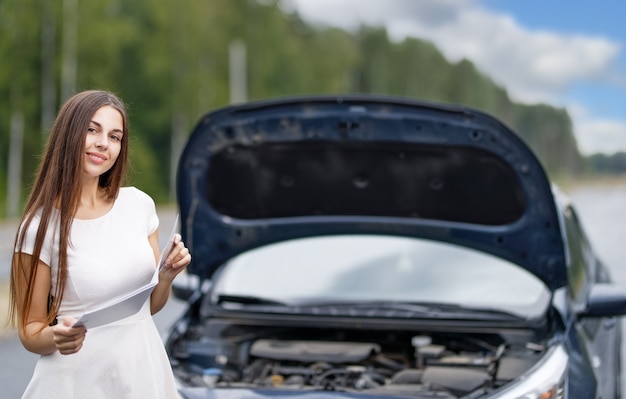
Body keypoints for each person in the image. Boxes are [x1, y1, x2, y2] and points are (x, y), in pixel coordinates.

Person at [9, 90, 191, 398]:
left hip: (143, 373)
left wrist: (166, 277)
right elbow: (30, 330)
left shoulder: (139, 205)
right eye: (92, 130)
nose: (103, 144)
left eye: (115, 136)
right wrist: (56, 337)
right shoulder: (39, 227)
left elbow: (147, 307)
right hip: (76, 383)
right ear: (69, 134)